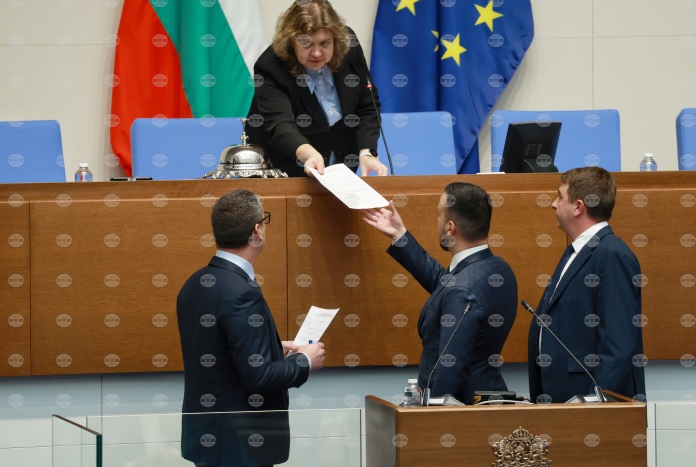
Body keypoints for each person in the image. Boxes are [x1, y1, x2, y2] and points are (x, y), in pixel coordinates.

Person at [177, 189, 325, 467]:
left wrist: (273, 348)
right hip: (240, 446)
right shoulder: (241, 293)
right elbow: (260, 377)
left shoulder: (194, 283)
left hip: (208, 439)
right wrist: (305, 361)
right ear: (257, 231)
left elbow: (219, 352)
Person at [362, 182, 518, 405]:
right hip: (488, 395)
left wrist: (431, 413)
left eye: (439, 215)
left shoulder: (461, 290)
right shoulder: (498, 268)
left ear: (450, 228)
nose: (437, 221)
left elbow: (450, 370)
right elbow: (445, 284)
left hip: (462, 410)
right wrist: (399, 234)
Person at [527, 167, 646, 403]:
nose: (553, 204)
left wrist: (596, 399)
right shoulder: (577, 251)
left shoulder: (612, 255)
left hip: (590, 401)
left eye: (560, 197)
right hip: (563, 398)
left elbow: (619, 341)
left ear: (578, 207)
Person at [246, 0, 388, 178]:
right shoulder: (270, 66)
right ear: (291, 42)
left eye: (325, 43)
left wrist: (367, 152)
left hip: (340, 160)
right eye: (306, 43)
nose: (316, 53)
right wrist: (308, 153)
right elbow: (280, 124)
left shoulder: (348, 46)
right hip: (284, 166)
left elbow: (367, 105)